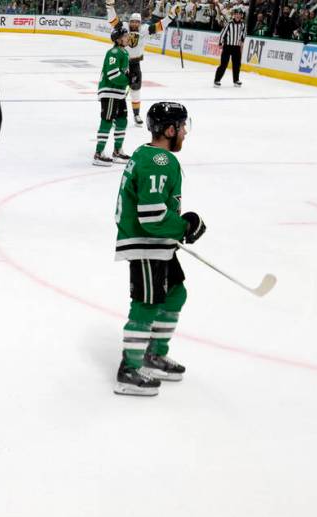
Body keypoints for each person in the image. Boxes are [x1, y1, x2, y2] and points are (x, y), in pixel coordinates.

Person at [113, 102, 206, 396]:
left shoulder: (148, 154)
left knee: (176, 293)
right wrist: (183, 227)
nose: (185, 132)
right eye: (181, 126)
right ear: (170, 130)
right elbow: (151, 216)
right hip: (147, 244)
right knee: (147, 304)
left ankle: (154, 354)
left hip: (159, 243)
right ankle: (129, 369)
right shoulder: (159, 162)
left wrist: (181, 224)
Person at [106, 0, 174, 126]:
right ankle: (115, 113)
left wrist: (171, 16)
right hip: (122, 64)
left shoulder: (145, 29)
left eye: (137, 22)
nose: (134, 24)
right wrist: (110, 7)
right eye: (132, 21)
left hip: (135, 64)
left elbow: (160, 26)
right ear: (129, 21)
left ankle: (136, 114)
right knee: (119, 89)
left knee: (135, 90)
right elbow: (113, 20)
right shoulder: (124, 28)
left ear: (140, 23)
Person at [94, 26, 132, 166]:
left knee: (122, 120)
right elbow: (112, 74)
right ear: (118, 39)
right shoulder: (114, 52)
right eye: (125, 36)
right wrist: (128, 80)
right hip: (110, 91)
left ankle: (117, 151)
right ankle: (98, 154)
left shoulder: (124, 52)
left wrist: (130, 78)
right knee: (107, 120)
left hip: (119, 93)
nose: (128, 37)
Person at [214, 5, 246, 86]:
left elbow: (243, 35)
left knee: (237, 65)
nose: (238, 15)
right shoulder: (229, 24)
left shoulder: (243, 25)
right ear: (234, 15)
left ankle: (236, 80)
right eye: (236, 14)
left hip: (236, 47)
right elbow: (222, 33)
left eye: (239, 14)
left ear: (241, 15)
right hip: (227, 46)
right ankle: (217, 80)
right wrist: (220, 43)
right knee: (223, 64)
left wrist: (241, 43)